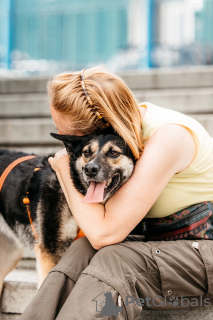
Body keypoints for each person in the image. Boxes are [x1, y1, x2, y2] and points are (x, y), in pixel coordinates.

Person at [19, 67, 213, 320]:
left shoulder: (168, 136)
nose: (69, 149)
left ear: (99, 129)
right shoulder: (123, 132)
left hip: (204, 252)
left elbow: (104, 232)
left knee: (114, 258)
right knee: (80, 251)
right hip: (162, 245)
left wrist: (64, 172)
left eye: (70, 138)